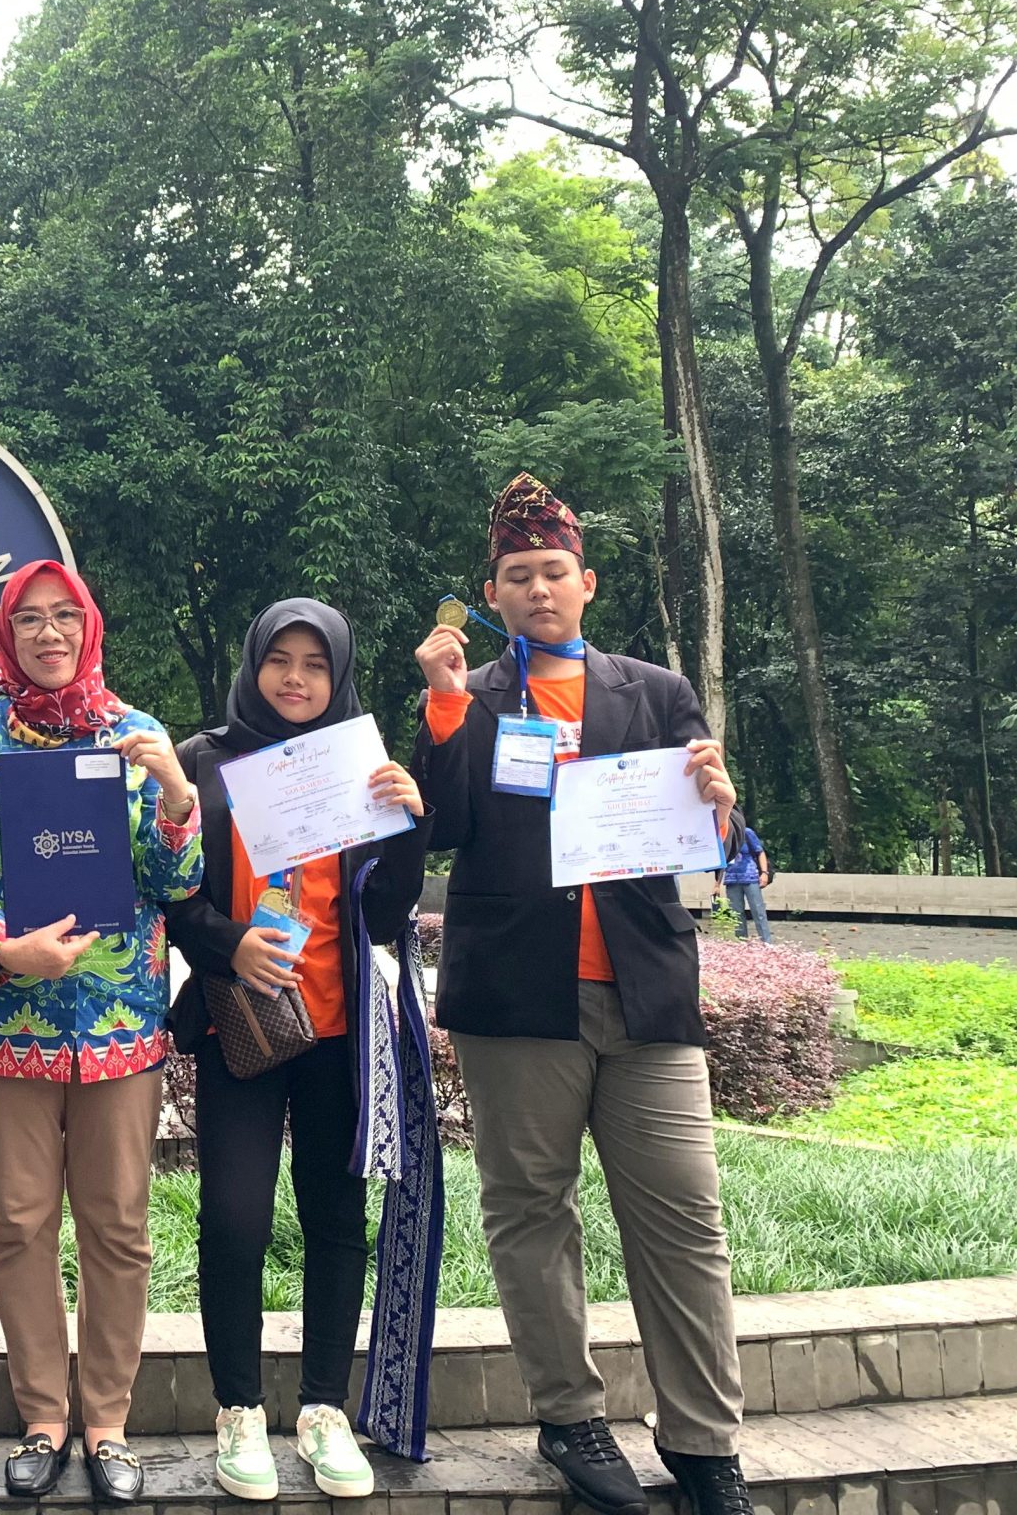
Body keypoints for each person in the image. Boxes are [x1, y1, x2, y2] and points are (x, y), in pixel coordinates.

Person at [411, 476, 749, 1515]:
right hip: (518, 997)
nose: (539, 589)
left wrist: (722, 809)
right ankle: (569, 1418)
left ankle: (702, 1446)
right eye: (518, 577)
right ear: (493, 592)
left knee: (685, 1216)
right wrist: (442, 704)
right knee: (529, 1211)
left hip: (645, 991)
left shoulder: (651, 692)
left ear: (585, 582)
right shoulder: (475, 699)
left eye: (554, 572)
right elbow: (444, 827)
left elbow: (709, 842)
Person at [0, 560, 203, 1506]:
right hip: (9, 1017)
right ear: (8, 635)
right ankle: (44, 1416)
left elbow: (175, 882)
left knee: (120, 1224)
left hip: (119, 1018)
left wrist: (174, 793)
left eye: (64, 618)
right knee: (18, 1223)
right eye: (30, 621)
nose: (49, 635)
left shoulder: (138, 732)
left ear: (89, 627)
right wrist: (2, 948)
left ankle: (109, 1422)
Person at [166, 600, 440, 1502]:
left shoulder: (356, 765)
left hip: (335, 1031)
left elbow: (385, 914)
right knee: (234, 1219)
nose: (295, 678)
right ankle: (238, 1410)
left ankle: (325, 1410)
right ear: (252, 664)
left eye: (314, 666)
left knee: (334, 1219)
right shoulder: (204, 760)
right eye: (279, 660)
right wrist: (225, 941)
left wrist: (409, 826)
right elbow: (170, 890)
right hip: (239, 1024)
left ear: (338, 676)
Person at [721, 822, 773, 944]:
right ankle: (741, 943)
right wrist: (717, 883)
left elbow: (760, 852)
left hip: (750, 876)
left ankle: (766, 942)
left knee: (758, 911)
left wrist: (764, 873)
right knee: (736, 913)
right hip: (731, 878)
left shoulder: (747, 832)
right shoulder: (722, 834)